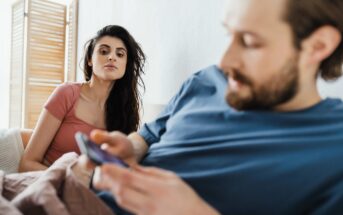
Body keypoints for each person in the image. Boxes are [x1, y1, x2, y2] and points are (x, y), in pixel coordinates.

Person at [78, 0, 343, 214]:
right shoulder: (204, 82)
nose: (225, 61)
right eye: (230, 34)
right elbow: (148, 135)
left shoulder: (334, 149)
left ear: (318, 46)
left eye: (250, 42)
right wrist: (130, 148)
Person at [19, 25, 146, 172]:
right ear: (89, 60)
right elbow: (27, 164)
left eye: (120, 54)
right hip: (39, 174)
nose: (112, 57)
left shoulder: (126, 111)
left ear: (126, 65)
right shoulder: (66, 93)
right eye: (104, 51)